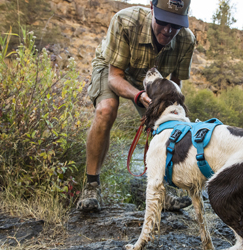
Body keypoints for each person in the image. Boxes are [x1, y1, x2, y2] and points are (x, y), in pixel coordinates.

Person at [77, 0, 195, 212]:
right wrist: (138, 95)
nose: (168, 30)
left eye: (176, 24)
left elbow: (175, 84)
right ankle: (91, 187)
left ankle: (162, 190)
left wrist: (168, 114)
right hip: (113, 69)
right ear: (152, 8)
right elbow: (114, 77)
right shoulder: (125, 21)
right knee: (106, 110)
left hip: (153, 82)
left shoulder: (187, 40)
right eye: (163, 21)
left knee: (168, 124)